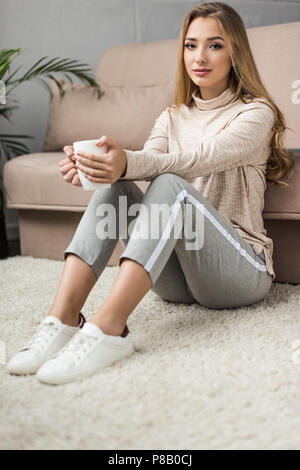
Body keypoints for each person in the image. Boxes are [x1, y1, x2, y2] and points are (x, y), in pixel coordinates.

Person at [7, 2, 294, 385]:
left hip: (239, 275)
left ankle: (109, 330)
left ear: (235, 52)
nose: (200, 57)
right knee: (117, 189)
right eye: (191, 46)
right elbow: (149, 160)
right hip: (177, 280)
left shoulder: (255, 113)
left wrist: (127, 161)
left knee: (169, 184)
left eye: (215, 45)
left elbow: (198, 159)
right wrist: (97, 169)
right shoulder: (172, 116)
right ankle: (62, 320)